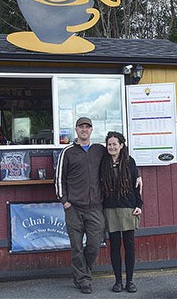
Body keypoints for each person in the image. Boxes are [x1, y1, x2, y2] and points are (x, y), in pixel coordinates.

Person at [54, 116, 106, 294]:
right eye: (81, 127)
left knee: (93, 245)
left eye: (88, 127)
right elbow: (59, 178)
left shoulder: (100, 150)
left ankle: (83, 273)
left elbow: (119, 159)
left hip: (95, 208)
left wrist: (135, 174)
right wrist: (64, 201)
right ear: (76, 130)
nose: (84, 130)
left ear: (92, 130)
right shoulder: (67, 152)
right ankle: (83, 280)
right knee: (76, 247)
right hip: (74, 208)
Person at [100, 131, 143, 293]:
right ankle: (118, 281)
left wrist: (139, 204)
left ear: (121, 145)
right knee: (115, 246)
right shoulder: (103, 162)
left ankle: (130, 281)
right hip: (110, 208)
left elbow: (135, 185)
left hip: (128, 207)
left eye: (114, 144)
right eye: (109, 144)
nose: (111, 147)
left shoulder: (129, 162)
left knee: (129, 245)